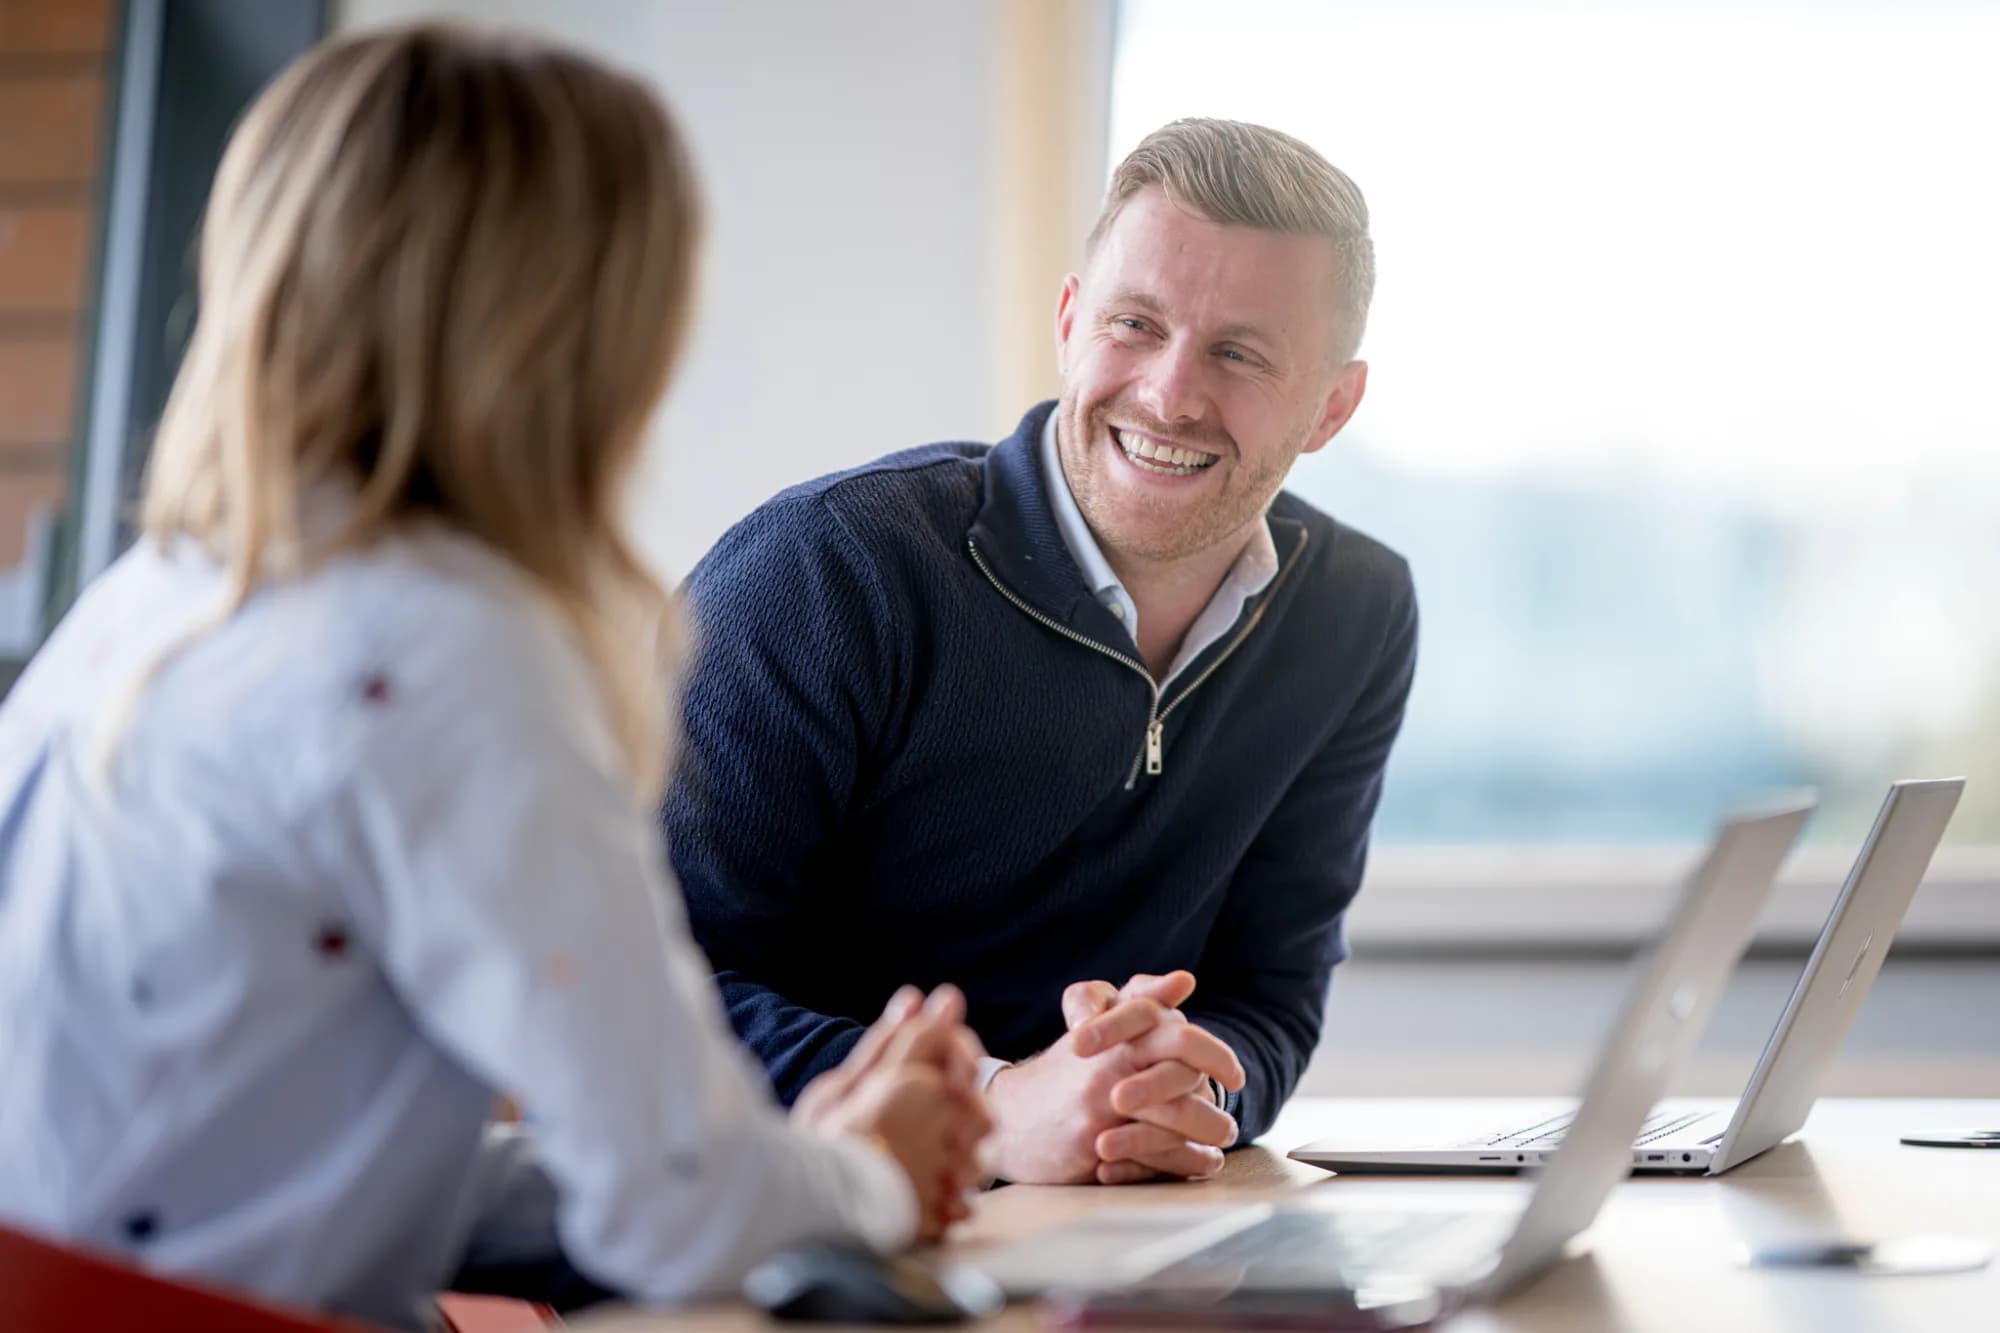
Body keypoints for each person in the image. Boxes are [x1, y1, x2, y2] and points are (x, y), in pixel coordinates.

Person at [0, 25, 987, 1331]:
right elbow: (673, 1217)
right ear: (586, 333)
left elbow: (295, 1162)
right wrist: (862, 1177)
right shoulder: (447, 655)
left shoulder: (164, 598)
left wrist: (800, 1167)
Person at [667, 118, 1418, 1186]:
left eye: (1238, 353)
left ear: (1330, 407)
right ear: (1070, 323)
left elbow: (1270, 994)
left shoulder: (1354, 610)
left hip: (1109, 1224)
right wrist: (988, 1108)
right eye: (1134, 324)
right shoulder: (827, 570)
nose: (1168, 394)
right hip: (786, 1220)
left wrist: (1185, 1092)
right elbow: (646, 992)